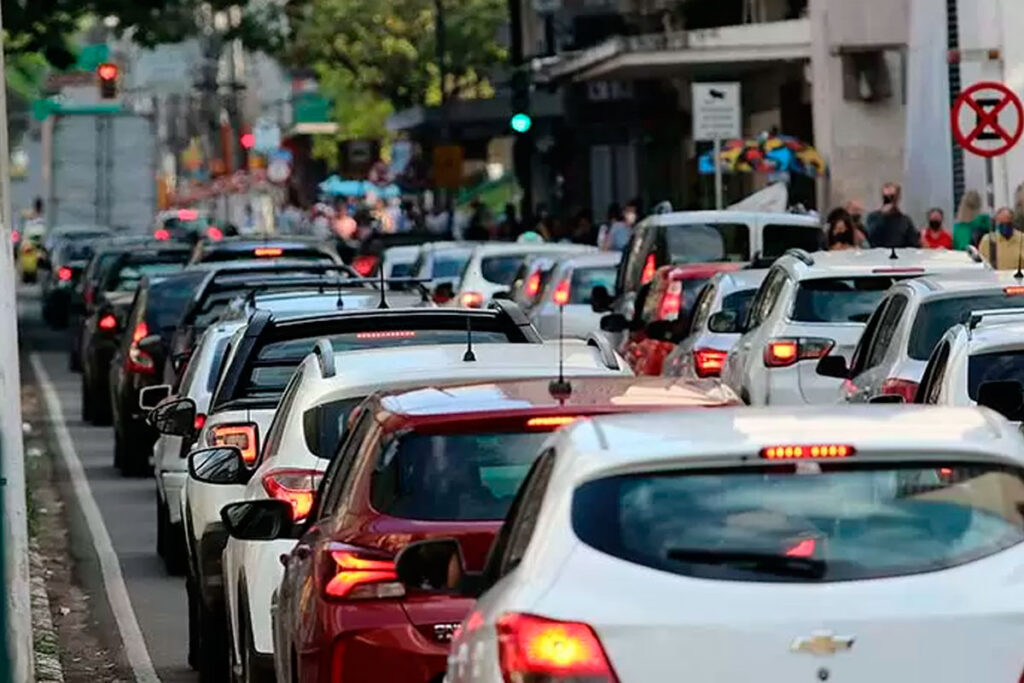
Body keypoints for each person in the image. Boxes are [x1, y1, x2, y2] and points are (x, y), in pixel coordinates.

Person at [865, 182, 919, 248]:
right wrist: (882, 216)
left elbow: (913, 243)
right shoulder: (873, 217)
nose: (888, 199)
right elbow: (870, 237)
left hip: (899, 255)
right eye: (886, 196)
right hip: (878, 255)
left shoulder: (905, 220)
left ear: (898, 197)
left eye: (892, 196)